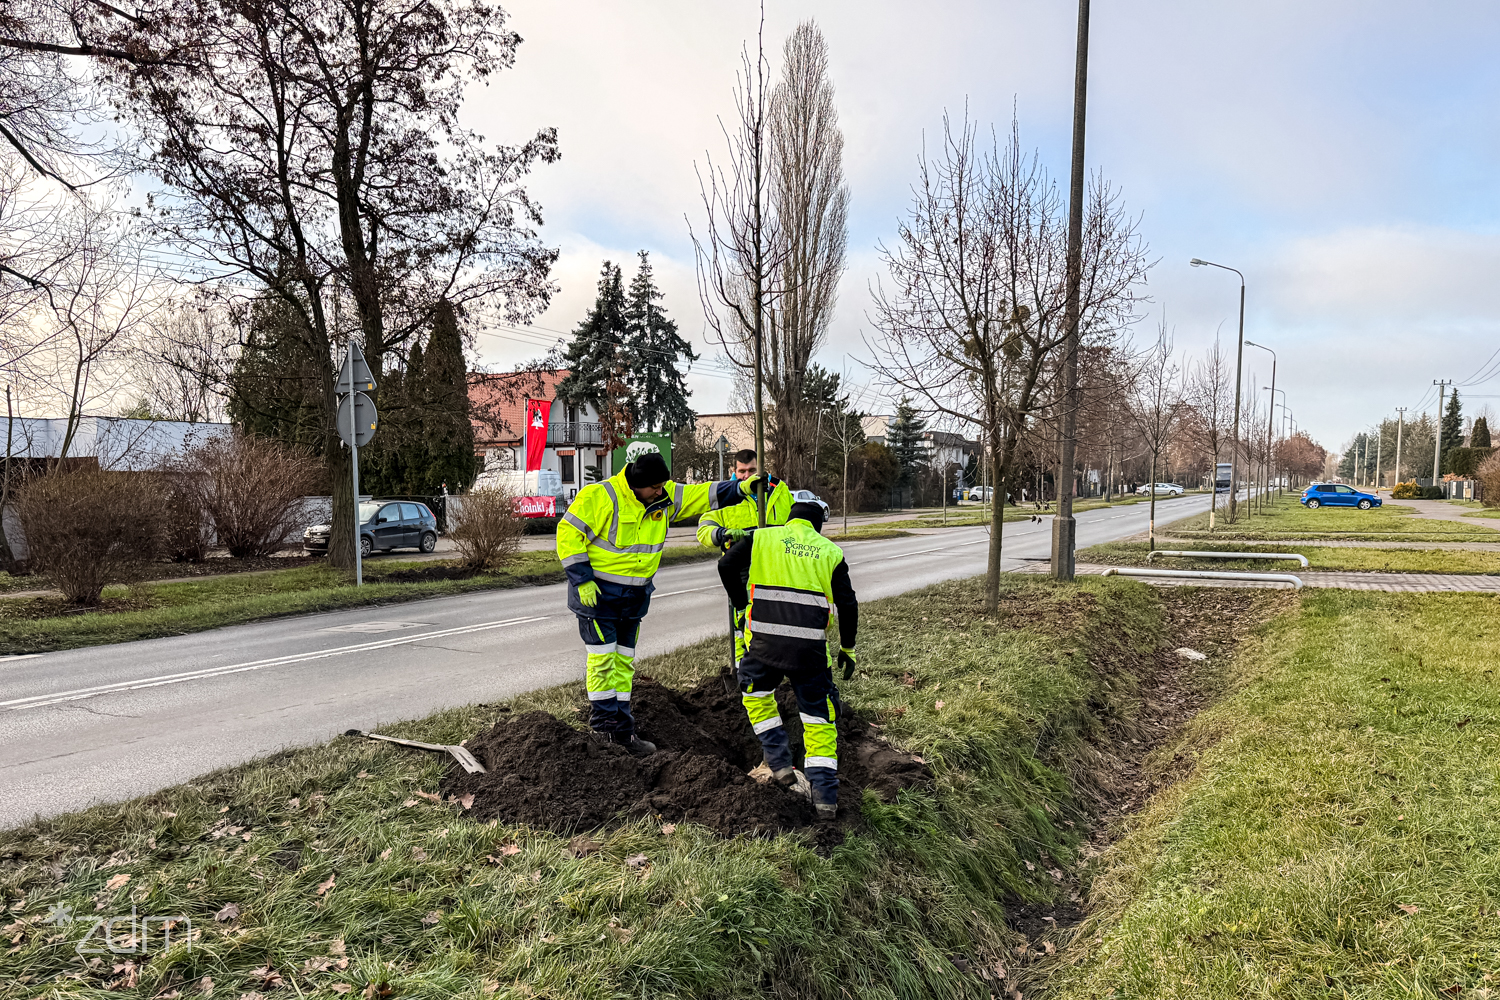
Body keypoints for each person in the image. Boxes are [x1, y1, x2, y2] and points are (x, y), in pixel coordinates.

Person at [559, 451, 756, 755]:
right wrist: (582, 578)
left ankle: (623, 733)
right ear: (638, 484)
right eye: (655, 487)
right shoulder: (602, 496)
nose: (661, 491)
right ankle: (602, 732)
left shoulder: (662, 497)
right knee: (602, 661)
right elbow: (568, 532)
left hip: (633, 600)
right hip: (598, 598)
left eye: (663, 485)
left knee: (623, 664)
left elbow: (699, 494)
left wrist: (740, 488)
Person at [717, 500, 858, 820]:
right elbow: (848, 605)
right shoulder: (830, 552)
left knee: (755, 693)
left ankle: (778, 760)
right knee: (819, 722)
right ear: (817, 527)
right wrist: (847, 648)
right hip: (808, 653)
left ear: (788, 521)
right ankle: (824, 798)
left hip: (763, 646)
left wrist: (741, 607)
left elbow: (725, 566)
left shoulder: (761, 538)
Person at [696, 448, 793, 667]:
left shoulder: (779, 490)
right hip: (739, 574)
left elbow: (791, 524)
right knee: (742, 625)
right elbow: (703, 529)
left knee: (774, 622)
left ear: (761, 468)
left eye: (751, 470)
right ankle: (744, 671)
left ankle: (773, 668)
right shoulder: (726, 494)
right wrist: (721, 534)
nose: (746, 476)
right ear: (733, 470)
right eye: (741, 471)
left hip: (774, 569)